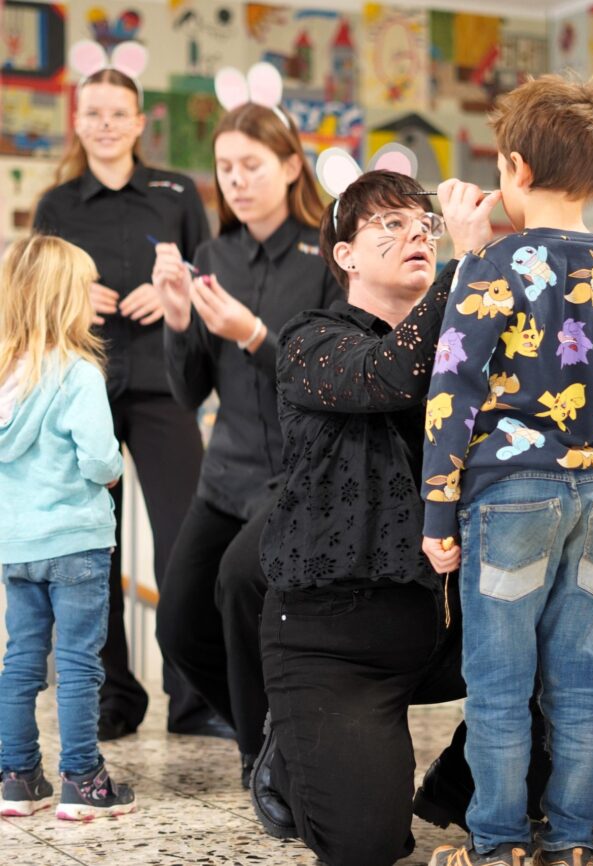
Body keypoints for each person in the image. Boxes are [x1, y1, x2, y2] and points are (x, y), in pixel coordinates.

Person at [421, 75, 593, 866]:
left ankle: (499, 843)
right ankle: (579, 842)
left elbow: (452, 388)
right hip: (592, 497)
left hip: (508, 496)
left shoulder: (493, 264)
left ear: (513, 168)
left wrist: (436, 515)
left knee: (499, 685)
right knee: (581, 687)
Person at [251, 164, 497, 866]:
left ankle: (452, 787)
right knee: (367, 846)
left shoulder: (462, 343)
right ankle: (292, 742)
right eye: (390, 224)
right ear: (345, 255)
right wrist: (468, 260)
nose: (415, 234)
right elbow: (390, 372)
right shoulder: (310, 339)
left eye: (424, 224)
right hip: (334, 640)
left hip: (442, 623)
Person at [152, 97, 343, 787]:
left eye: (251, 165)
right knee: (175, 629)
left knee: (240, 589)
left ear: (292, 165)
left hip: (298, 477)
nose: (235, 180)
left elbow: (330, 380)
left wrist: (255, 335)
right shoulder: (212, 255)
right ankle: (268, 734)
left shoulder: (326, 256)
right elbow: (189, 391)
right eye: (224, 167)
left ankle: (259, 762)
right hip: (225, 475)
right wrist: (179, 322)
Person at [32, 64, 211, 740]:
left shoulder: (177, 194)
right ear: (77, 122)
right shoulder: (56, 205)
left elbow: (207, 275)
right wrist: (74, 297)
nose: (106, 124)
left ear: (140, 124)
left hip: (167, 389)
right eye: (93, 112)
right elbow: (38, 299)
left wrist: (175, 293)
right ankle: (114, 698)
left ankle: (194, 699)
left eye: (118, 113)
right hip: (82, 392)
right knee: (90, 551)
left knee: (184, 546)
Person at [0, 234, 135, 820]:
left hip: (16, 545)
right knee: (79, 663)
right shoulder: (77, 373)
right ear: (63, 299)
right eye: (85, 287)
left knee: (22, 660)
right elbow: (101, 460)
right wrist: (109, 474)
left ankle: (17, 776)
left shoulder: (6, 375)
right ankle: (82, 780)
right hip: (77, 543)